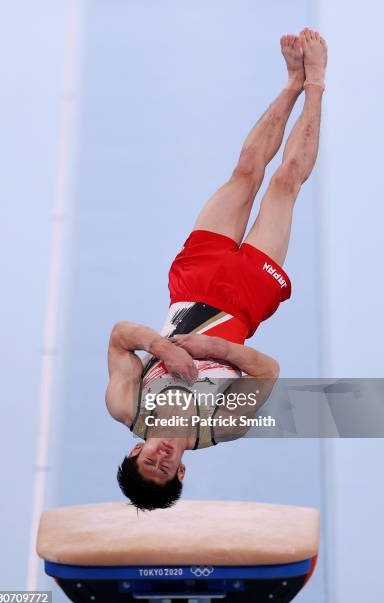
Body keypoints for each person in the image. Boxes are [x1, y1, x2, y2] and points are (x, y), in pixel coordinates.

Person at [105, 28, 328, 510]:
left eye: (149, 461)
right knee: (285, 184)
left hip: (192, 284)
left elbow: (120, 334)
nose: (161, 457)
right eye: (166, 468)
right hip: (246, 301)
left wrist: (162, 345)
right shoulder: (224, 425)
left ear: (135, 449)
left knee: (246, 170)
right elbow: (268, 371)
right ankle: (316, 86)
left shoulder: (126, 406)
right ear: (181, 470)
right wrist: (212, 347)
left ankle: (291, 82)